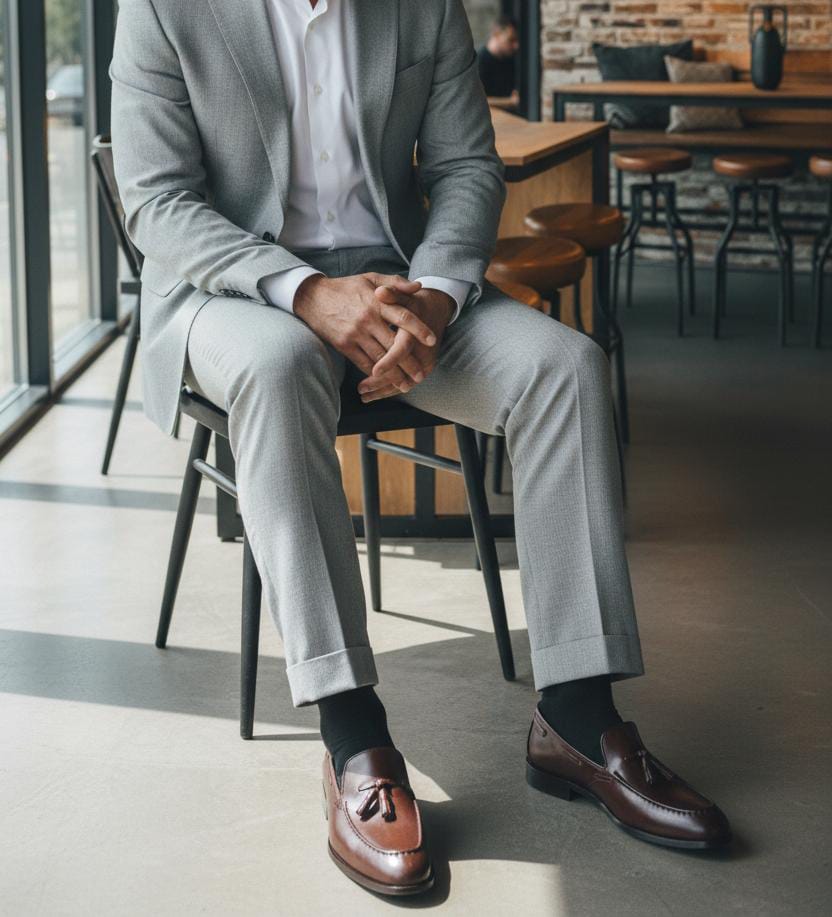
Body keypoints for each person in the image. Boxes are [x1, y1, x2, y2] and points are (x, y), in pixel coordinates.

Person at [109, 0, 731, 898]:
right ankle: (352, 736)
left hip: (398, 285)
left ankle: (578, 718)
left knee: (566, 367)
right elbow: (157, 203)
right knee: (281, 368)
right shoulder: (164, 8)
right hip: (237, 289)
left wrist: (437, 296)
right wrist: (304, 290)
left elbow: (466, 168)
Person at [477, 14, 520, 107]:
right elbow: (475, 101)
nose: (516, 46)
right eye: (511, 40)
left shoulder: (510, 60)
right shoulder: (479, 61)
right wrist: (510, 101)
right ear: (496, 34)